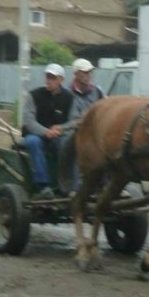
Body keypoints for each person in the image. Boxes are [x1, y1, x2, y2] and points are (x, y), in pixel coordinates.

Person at [21, 63, 73, 199]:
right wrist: (45, 132)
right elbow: (29, 121)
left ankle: (65, 185)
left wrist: (62, 128)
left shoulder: (69, 98)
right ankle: (43, 185)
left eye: (52, 77)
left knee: (67, 145)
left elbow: (73, 121)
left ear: (61, 80)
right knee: (33, 142)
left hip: (58, 136)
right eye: (47, 76)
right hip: (35, 135)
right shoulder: (34, 95)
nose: (48, 80)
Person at [59, 58, 105, 193]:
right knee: (76, 144)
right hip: (72, 131)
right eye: (85, 72)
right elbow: (73, 119)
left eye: (89, 72)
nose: (88, 75)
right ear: (76, 74)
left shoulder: (98, 91)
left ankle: (108, 183)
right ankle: (75, 186)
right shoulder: (67, 93)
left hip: (95, 131)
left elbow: (106, 108)